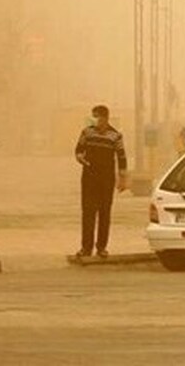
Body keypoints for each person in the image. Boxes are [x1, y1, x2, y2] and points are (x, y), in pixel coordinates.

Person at [73, 105, 129, 258]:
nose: (94, 120)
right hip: (89, 177)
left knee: (105, 213)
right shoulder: (87, 132)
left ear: (104, 117)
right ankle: (86, 247)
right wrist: (79, 157)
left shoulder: (115, 136)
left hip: (106, 179)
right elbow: (78, 149)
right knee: (88, 213)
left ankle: (102, 247)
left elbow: (122, 158)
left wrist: (122, 180)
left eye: (96, 116)